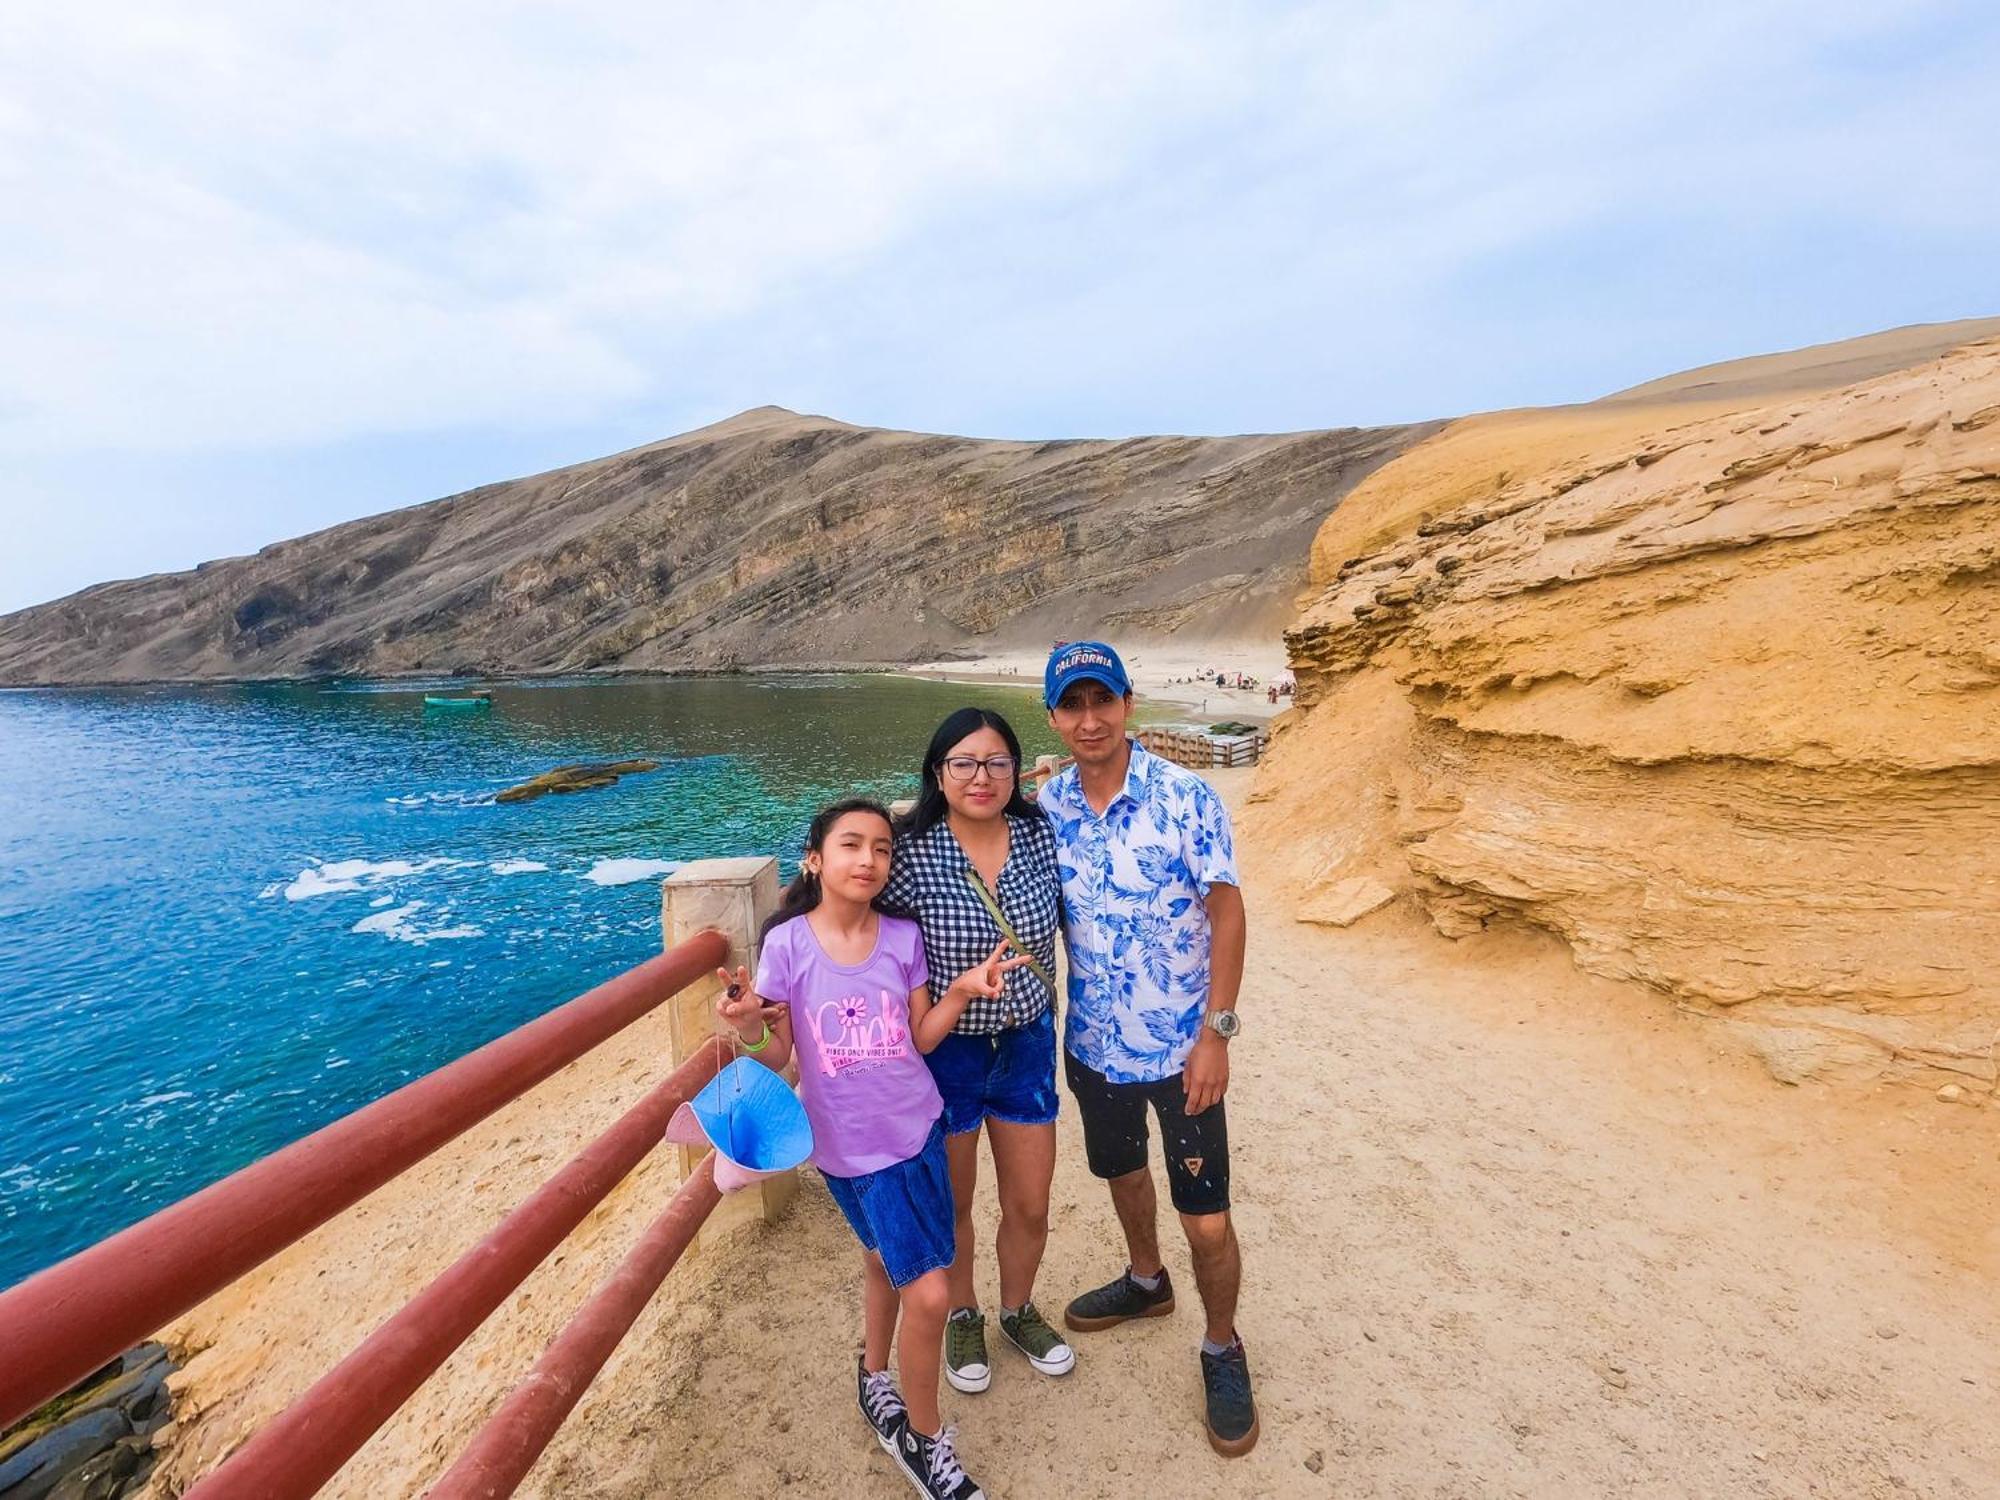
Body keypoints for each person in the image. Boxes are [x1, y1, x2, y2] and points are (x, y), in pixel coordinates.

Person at [718, 798, 1022, 1500]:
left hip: (919, 1131)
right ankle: (924, 1438)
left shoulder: (901, 938)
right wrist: (745, 1028)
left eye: (882, 848)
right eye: (851, 845)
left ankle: (875, 1378)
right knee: (932, 1294)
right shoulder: (788, 945)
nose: (869, 860)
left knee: (883, 1263)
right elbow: (781, 1056)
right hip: (851, 1152)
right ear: (815, 859)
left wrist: (964, 991)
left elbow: (919, 1038)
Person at [1035, 641, 1259, 1456]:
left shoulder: (1185, 797)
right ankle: (1144, 1281)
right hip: (1094, 1049)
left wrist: (1218, 1034)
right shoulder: (1048, 809)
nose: (1089, 719)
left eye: (1103, 701)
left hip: (1183, 1058)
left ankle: (1222, 1346)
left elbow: (1228, 914)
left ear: (1127, 703)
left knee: (1208, 1220)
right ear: (1053, 717)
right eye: (1073, 705)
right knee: (1122, 1175)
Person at [885, 709, 1075, 1397]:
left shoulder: (1038, 835)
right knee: (956, 1204)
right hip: (947, 1058)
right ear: (938, 773)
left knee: (1029, 1202)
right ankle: (963, 1313)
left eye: (997, 762)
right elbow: (840, 911)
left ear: (1016, 770)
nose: (981, 777)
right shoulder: (910, 851)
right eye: (963, 763)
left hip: (1024, 1046)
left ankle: (1018, 1309)